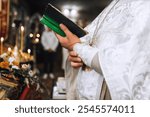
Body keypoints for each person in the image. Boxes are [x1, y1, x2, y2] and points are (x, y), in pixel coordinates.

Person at [56, 0, 150, 100]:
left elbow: (131, 66)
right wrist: (77, 55)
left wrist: (78, 48)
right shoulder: (115, 4)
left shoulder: (145, 6)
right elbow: (93, 40)